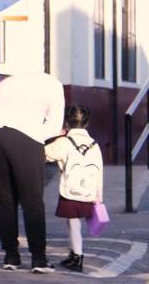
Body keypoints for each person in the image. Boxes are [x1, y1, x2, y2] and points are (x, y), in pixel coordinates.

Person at [0, 73, 65, 274]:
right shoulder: (54, 84)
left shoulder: (6, 82)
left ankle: (10, 256)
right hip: (26, 135)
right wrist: (35, 137)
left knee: (4, 199)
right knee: (32, 201)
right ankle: (39, 259)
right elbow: (54, 125)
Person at [44, 106, 104, 273]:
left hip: (69, 191)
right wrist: (98, 196)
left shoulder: (63, 142)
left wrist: (56, 136)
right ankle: (74, 253)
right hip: (89, 190)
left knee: (73, 223)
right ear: (87, 123)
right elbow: (99, 170)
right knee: (74, 223)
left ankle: (77, 256)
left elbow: (44, 154)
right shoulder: (94, 144)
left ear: (66, 122)